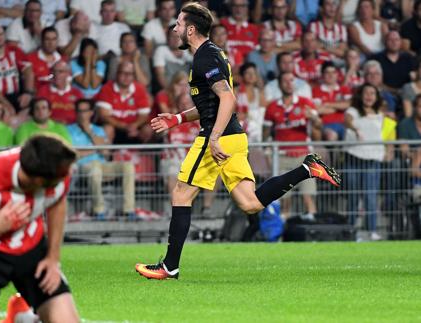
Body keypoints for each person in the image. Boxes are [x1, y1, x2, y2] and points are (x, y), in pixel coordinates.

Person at [135, 3, 341, 280]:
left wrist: (215, 138)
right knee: (251, 203)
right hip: (234, 137)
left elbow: (228, 100)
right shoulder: (215, 54)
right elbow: (213, 103)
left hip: (216, 137)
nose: (175, 29)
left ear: (191, 29)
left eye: (179, 24)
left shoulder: (204, 58)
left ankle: (169, 265)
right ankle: (307, 169)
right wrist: (178, 118)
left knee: (181, 194)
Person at [0, 134, 80, 323]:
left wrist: (53, 258)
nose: (68, 175)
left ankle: (21, 316)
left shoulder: (58, 172)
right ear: (38, 182)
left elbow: (57, 203)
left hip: (32, 250)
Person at [264, 72, 322, 219]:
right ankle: (284, 225)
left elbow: (319, 126)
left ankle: (312, 223)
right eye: (285, 81)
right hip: (282, 156)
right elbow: (265, 132)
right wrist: (267, 151)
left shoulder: (305, 102)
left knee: (308, 194)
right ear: (279, 84)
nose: (289, 83)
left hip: (303, 156)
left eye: (291, 80)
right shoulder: (272, 107)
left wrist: (314, 118)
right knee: (284, 197)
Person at [67, 99, 135, 219]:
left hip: (103, 165)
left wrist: (89, 132)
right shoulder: (69, 130)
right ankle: (99, 210)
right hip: (83, 167)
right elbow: (73, 154)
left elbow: (105, 152)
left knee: (128, 167)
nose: (82, 114)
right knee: (95, 169)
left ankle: (128, 210)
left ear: (91, 113)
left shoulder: (98, 130)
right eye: (79, 111)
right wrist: (94, 149)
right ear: (76, 113)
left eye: (85, 111)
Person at [344, 83, 385, 240]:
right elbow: (347, 121)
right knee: (354, 196)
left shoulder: (379, 113)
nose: (369, 96)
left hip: (372, 159)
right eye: (366, 93)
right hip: (354, 157)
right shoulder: (353, 111)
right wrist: (355, 129)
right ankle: (351, 231)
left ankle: (372, 230)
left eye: (372, 93)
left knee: (370, 196)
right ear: (360, 95)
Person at [95, 61, 152, 144]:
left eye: (130, 74)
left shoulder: (140, 89)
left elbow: (144, 115)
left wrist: (134, 125)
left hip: (135, 127)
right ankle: (106, 156)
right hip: (115, 127)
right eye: (123, 73)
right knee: (107, 129)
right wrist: (124, 126)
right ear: (117, 74)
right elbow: (104, 116)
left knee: (148, 129)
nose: (127, 76)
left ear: (133, 76)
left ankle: (144, 156)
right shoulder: (106, 89)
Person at [0, 25, 34, 112]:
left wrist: (27, 93)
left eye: (1, 34)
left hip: (17, 94)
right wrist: (6, 105)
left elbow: (28, 71)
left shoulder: (14, 50)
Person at [312, 61, 352, 141]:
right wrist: (339, 107)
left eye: (333, 72)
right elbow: (318, 110)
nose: (331, 75)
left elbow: (349, 104)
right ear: (322, 75)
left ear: (337, 74)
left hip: (345, 124)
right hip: (326, 125)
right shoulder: (315, 90)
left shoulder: (344, 89)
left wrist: (327, 104)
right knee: (331, 135)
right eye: (327, 72)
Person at [37, 61, 83, 125]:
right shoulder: (43, 91)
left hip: (72, 128)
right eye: (54, 71)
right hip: (50, 127)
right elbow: (38, 113)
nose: (56, 74)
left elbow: (82, 115)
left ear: (68, 74)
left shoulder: (77, 93)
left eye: (60, 72)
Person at [153, 25, 193, 90]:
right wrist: (171, 93)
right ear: (167, 38)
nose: (176, 39)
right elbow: (160, 76)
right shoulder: (161, 50)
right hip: (169, 90)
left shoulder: (188, 52)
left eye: (178, 36)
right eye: (172, 36)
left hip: (188, 91)